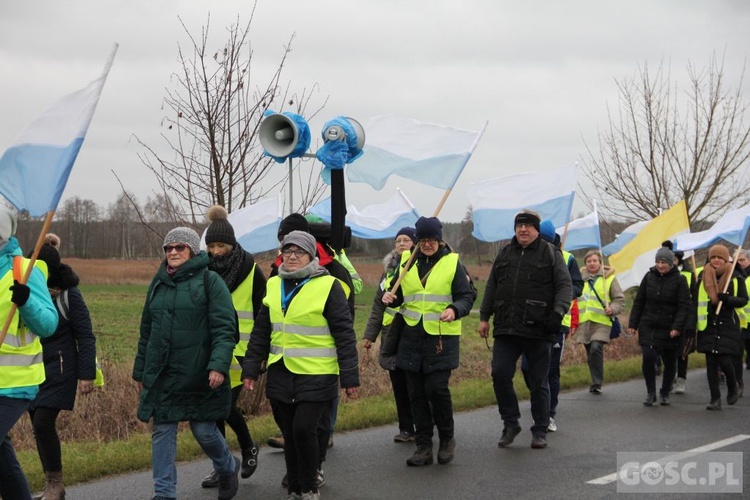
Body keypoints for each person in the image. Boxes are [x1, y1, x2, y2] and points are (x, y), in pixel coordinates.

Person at [241, 230, 359, 500]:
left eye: (299, 252)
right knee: (289, 433)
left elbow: (344, 333)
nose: (292, 256)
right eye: (287, 251)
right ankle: (295, 487)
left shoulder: (328, 286)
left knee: (304, 429)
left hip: (318, 373)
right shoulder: (273, 285)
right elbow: (261, 331)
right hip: (281, 371)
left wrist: (350, 377)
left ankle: (309, 486)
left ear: (311, 256)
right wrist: (250, 369)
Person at [133, 227, 240, 500]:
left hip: (199, 373)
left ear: (192, 250)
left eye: (180, 247)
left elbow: (225, 328)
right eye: (169, 248)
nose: (173, 252)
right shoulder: (158, 283)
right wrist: (141, 371)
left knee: (204, 430)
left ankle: (227, 466)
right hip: (165, 374)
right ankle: (164, 493)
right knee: (163, 431)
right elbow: (147, 331)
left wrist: (217, 365)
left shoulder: (210, 281)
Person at [381, 216, 476, 466]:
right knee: (416, 394)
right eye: (422, 240)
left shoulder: (452, 263)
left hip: (441, 337)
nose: (427, 244)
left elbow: (466, 296)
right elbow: (398, 294)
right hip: (410, 337)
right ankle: (423, 446)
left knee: (436, 389)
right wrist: (391, 298)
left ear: (439, 239)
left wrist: (455, 310)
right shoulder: (406, 261)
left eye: (431, 240)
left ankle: (446, 439)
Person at [478, 210, 572, 450]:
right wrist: (484, 317)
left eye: (528, 226)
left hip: (539, 328)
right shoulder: (505, 253)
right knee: (499, 374)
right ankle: (511, 423)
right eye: (520, 226)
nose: (523, 230)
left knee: (538, 381)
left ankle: (540, 429)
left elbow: (564, 286)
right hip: (507, 327)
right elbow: (492, 286)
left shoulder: (551, 253)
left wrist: (558, 312)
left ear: (537, 230)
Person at [199, 206, 266, 489]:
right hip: (212, 350)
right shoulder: (201, 269)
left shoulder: (250, 269)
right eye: (211, 245)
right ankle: (223, 465)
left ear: (232, 243)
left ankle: (247, 448)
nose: (215, 251)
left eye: (221, 245)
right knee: (216, 409)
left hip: (243, 351)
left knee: (223, 406)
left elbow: (265, 313)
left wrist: (260, 353)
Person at [27, 243, 97, 500]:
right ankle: (51, 484)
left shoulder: (68, 295)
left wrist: (86, 374)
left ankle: (55, 485)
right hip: (34, 369)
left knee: (44, 422)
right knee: (37, 423)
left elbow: (85, 335)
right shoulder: (30, 293)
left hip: (62, 368)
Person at [0, 205, 59, 500]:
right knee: (3, 461)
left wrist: (26, 302)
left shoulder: (24, 270)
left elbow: (49, 324)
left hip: (15, 383)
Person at [521, 220, 583, 433]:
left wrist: (562, 297)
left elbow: (577, 285)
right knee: (527, 369)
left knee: (550, 370)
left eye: (545, 241)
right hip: (529, 322)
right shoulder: (526, 254)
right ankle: (540, 399)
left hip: (557, 324)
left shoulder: (566, 258)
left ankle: (549, 414)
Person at [363, 227, 417, 443]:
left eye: (406, 240)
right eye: (398, 241)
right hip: (391, 336)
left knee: (415, 384)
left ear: (414, 244)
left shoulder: (419, 267)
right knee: (398, 383)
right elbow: (378, 305)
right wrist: (370, 335)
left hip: (412, 334)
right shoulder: (389, 271)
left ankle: (424, 424)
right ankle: (406, 428)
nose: (401, 243)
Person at [628, 245, 692, 406]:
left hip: (670, 327)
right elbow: (639, 302)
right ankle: (651, 392)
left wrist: (677, 327)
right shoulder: (649, 277)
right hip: (648, 325)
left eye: (664, 262)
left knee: (670, 360)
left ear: (671, 264)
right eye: (658, 262)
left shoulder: (680, 280)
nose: (660, 265)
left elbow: (684, 306)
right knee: (648, 357)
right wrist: (633, 324)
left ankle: (664, 392)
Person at [695, 244, 748, 410]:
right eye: (713, 257)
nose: (716, 260)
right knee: (710, 362)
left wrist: (728, 299)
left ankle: (733, 386)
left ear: (726, 259)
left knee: (725, 360)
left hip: (727, 323)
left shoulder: (735, 277)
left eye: (719, 258)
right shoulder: (703, 276)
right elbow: (696, 300)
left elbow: (743, 300)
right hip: (708, 324)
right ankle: (715, 398)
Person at [574, 249, 625, 394]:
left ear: (600, 263)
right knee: (590, 352)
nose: (592, 263)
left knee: (596, 347)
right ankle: (594, 379)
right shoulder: (579, 280)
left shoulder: (608, 279)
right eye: (589, 261)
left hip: (602, 322)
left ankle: (597, 382)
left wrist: (612, 309)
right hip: (584, 322)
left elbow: (620, 300)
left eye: (594, 261)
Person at [664, 241, 698, 395]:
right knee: (667, 351)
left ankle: (681, 378)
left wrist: (691, 320)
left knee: (682, 351)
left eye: (674, 259)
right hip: (667, 318)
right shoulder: (662, 273)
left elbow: (694, 299)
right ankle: (669, 377)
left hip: (684, 317)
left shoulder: (689, 274)